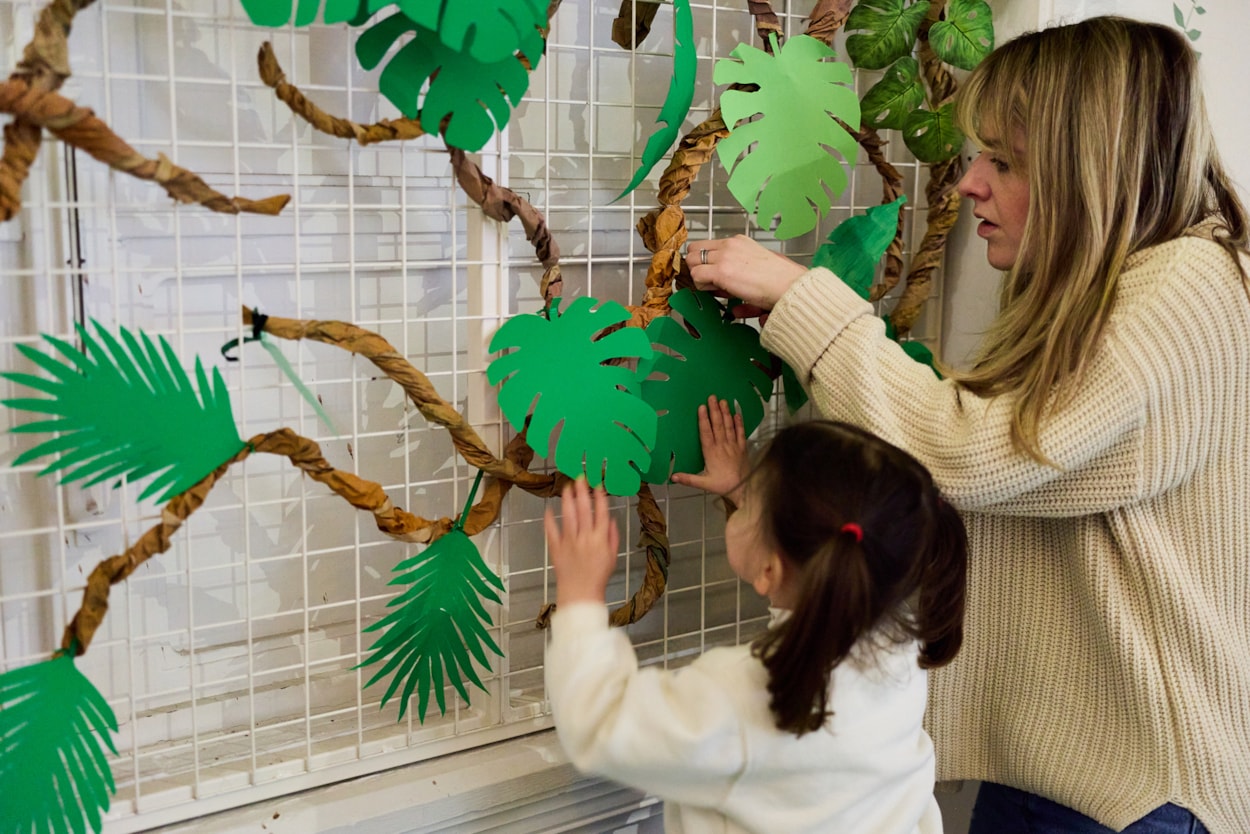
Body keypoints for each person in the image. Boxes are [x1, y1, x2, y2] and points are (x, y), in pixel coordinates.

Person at [685, 14, 1249, 834]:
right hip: (1061, 776)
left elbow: (977, 457)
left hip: (1133, 796)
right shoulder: (1098, 294)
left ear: (1087, 171)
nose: (966, 185)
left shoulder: (1189, 289)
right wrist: (754, 499)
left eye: (1004, 162)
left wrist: (806, 301)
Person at [543, 399, 968, 833]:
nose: (743, 500)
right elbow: (815, 578)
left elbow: (600, 726)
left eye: (749, 506)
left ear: (770, 570)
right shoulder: (900, 658)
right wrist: (749, 496)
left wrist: (581, 597)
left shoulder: (741, 695)